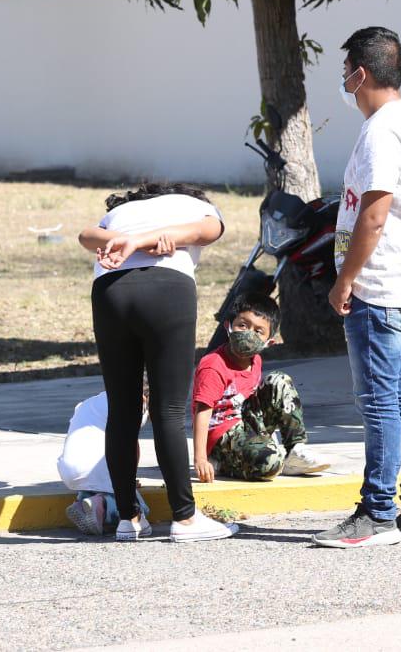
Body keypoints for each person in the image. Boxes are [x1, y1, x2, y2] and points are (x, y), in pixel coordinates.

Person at [314, 26, 401, 548]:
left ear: (361, 74)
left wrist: (346, 278)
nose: (344, 81)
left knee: (379, 400)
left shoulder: (381, 131)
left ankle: (377, 513)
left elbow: (375, 213)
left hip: (380, 284)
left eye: (345, 71)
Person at [78, 182, 237, 543]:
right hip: (167, 289)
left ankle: (128, 519)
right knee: (167, 408)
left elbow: (86, 235)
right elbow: (205, 231)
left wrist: (129, 239)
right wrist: (154, 240)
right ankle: (184, 517)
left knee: (122, 409)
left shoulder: (120, 213)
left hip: (110, 293)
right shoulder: (197, 206)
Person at [192, 292, 330, 483]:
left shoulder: (255, 359)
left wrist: (266, 437)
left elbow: (254, 399)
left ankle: (294, 451)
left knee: (279, 380)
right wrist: (200, 458)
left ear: (269, 342)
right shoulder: (213, 365)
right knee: (269, 464)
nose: (249, 333)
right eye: (243, 325)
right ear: (228, 326)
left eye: (258, 331)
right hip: (222, 437)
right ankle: (222, 462)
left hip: (246, 423)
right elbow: (202, 412)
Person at [58, 386, 151, 536]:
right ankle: (102, 504)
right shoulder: (132, 402)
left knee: (95, 480)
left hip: (68, 470)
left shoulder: (91, 402)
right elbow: (130, 445)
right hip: (95, 468)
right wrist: (130, 478)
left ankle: (82, 501)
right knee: (140, 508)